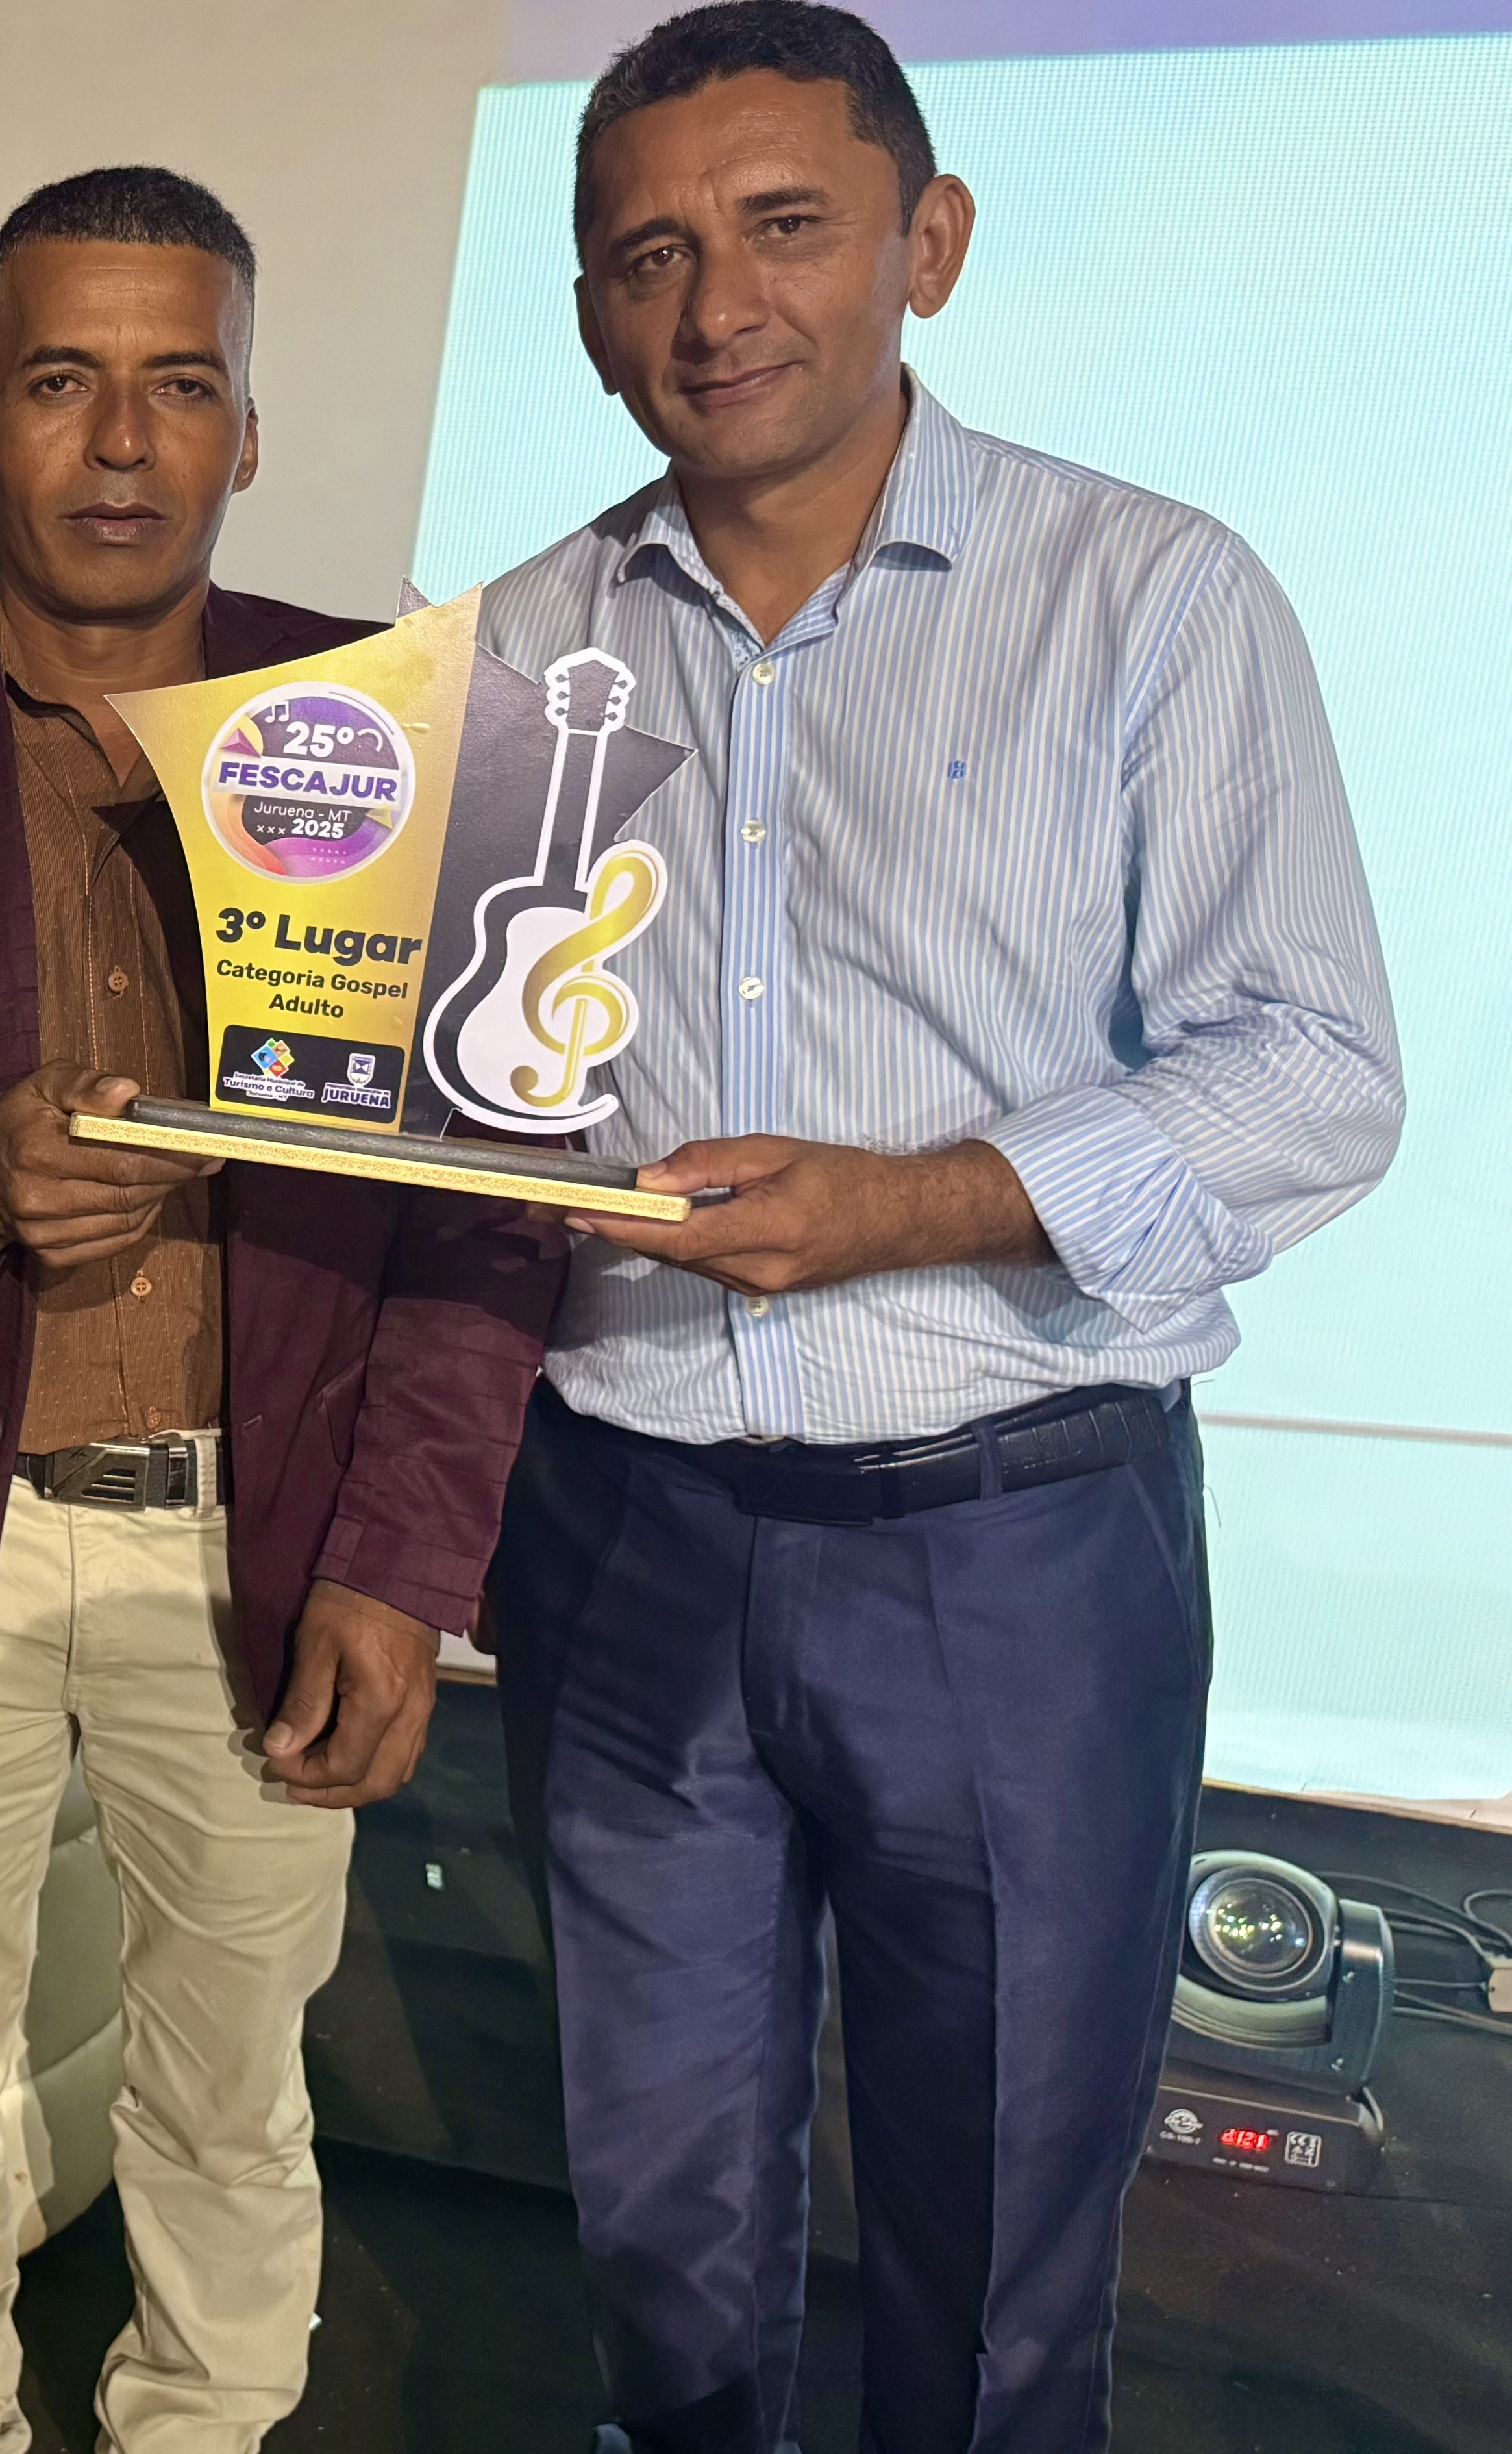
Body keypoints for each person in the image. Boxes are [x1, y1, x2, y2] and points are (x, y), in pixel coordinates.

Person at [473, 10, 1404, 2449]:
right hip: (623, 1532)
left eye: (784, 226)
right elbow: (464, 1101)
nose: (717, 307)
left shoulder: (1153, 597)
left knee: (994, 2281)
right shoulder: (514, 651)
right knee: (658, 2248)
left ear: (932, 241)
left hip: (1017, 1543)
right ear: (586, 310)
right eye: (649, 256)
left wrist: (916, 1204)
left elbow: (1317, 1069)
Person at [0, 169, 565, 2454]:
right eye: (62, 381)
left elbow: (488, 1206)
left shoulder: (383, 727)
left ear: (251, 431)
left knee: (234, 2094)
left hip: (265, 1539)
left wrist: (403, 1564)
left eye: (182, 384)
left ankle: (200, 2428)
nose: (125, 440)